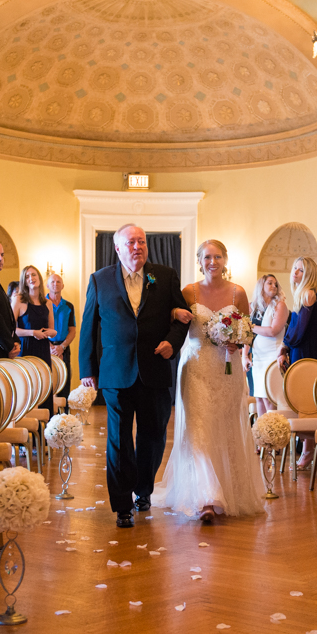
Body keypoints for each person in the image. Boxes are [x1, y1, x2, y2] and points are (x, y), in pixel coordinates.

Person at [79, 224, 191, 528]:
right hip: (116, 372)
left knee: (153, 437)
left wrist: (173, 341)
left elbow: (183, 317)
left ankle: (144, 490)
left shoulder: (163, 276)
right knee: (118, 441)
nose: (137, 247)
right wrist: (87, 369)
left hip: (155, 368)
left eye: (141, 241)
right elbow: (89, 325)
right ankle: (122, 505)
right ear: (118, 248)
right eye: (130, 242)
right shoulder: (100, 280)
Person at [153, 240, 266, 522]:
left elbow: (247, 330)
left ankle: (228, 491)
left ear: (225, 260)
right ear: (199, 261)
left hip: (227, 369)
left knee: (224, 429)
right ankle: (207, 498)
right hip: (195, 367)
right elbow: (172, 319)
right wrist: (173, 312)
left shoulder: (238, 292)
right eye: (207, 257)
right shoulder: (188, 291)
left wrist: (237, 344)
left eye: (217, 257)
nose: (212, 262)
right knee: (198, 431)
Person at [277, 256, 317, 469]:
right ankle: (306, 449)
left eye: (300, 270)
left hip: (305, 352)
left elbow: (300, 331)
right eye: (294, 268)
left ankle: (308, 450)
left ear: (309, 274)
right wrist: (285, 347)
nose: (295, 273)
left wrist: (285, 345)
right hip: (298, 351)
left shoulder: (308, 294)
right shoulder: (300, 295)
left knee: (306, 403)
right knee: (301, 402)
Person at [15, 265, 57, 411]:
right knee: (29, 390)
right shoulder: (19, 300)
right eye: (27, 277)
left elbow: (52, 329)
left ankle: (46, 430)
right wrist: (33, 332)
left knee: (45, 386)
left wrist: (52, 333)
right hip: (26, 349)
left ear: (39, 277)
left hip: (43, 349)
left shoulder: (48, 303)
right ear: (24, 281)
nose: (31, 278)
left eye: (33, 275)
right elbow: (12, 330)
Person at [245, 274, 288, 415]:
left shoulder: (279, 305)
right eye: (269, 283)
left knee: (269, 398)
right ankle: (261, 434)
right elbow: (248, 335)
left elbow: (273, 331)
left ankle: (271, 433)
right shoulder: (255, 307)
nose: (274, 286)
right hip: (257, 358)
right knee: (259, 398)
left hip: (271, 356)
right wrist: (245, 355)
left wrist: (250, 327)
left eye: (275, 284)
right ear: (261, 286)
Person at [47, 274, 77, 401]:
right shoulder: (41, 304)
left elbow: (72, 330)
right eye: (52, 281)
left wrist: (61, 347)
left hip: (64, 348)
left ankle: (64, 415)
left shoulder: (69, 306)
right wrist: (51, 348)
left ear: (63, 285)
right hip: (46, 346)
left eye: (58, 281)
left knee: (65, 380)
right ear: (48, 285)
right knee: (48, 381)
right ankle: (48, 416)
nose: (55, 284)